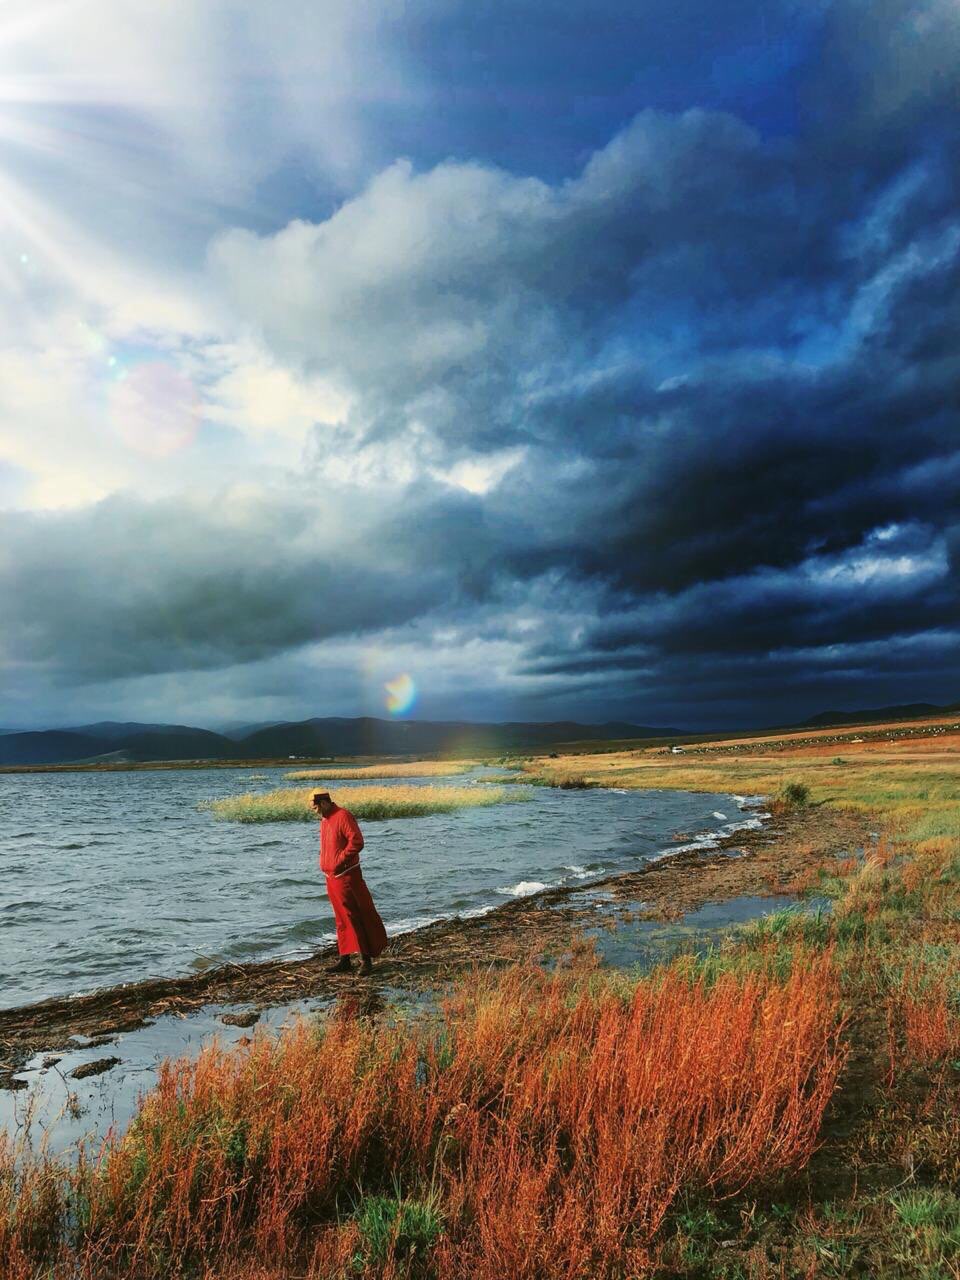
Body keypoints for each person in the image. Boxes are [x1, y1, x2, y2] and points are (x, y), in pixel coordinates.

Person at [313, 791, 387, 976]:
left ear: (324, 803)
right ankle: (345, 959)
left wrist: (339, 861)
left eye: (315, 807)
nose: (314, 811)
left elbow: (357, 841)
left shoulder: (343, 816)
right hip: (331, 877)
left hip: (346, 875)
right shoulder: (325, 820)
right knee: (341, 918)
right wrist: (326, 862)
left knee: (355, 916)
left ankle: (365, 961)